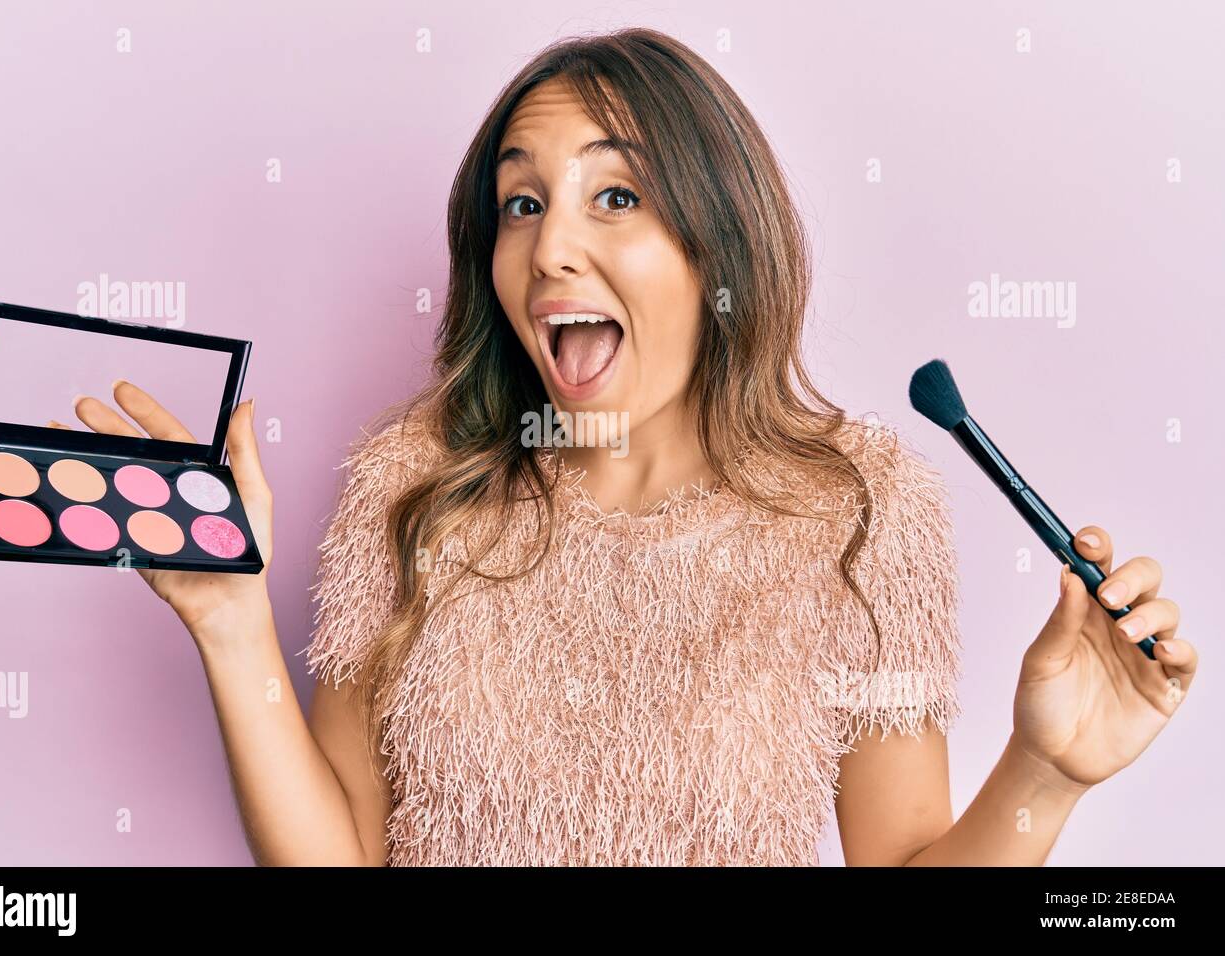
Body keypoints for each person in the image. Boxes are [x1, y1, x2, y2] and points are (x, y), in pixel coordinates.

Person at [58, 28, 1194, 866]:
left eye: (615, 195)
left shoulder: (864, 507)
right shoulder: (412, 488)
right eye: (518, 202)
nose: (550, 247)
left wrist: (1045, 772)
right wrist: (229, 621)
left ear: (718, 243)